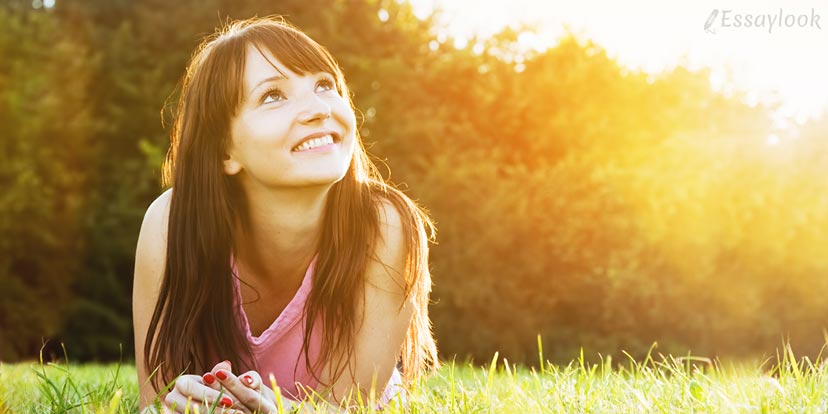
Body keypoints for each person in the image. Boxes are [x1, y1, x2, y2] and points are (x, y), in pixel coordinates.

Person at [132, 15, 439, 413]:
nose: (318, 109)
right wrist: (184, 405)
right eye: (273, 96)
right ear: (226, 151)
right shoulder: (168, 225)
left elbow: (352, 408)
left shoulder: (385, 226)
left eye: (324, 85)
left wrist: (280, 410)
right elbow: (153, 402)